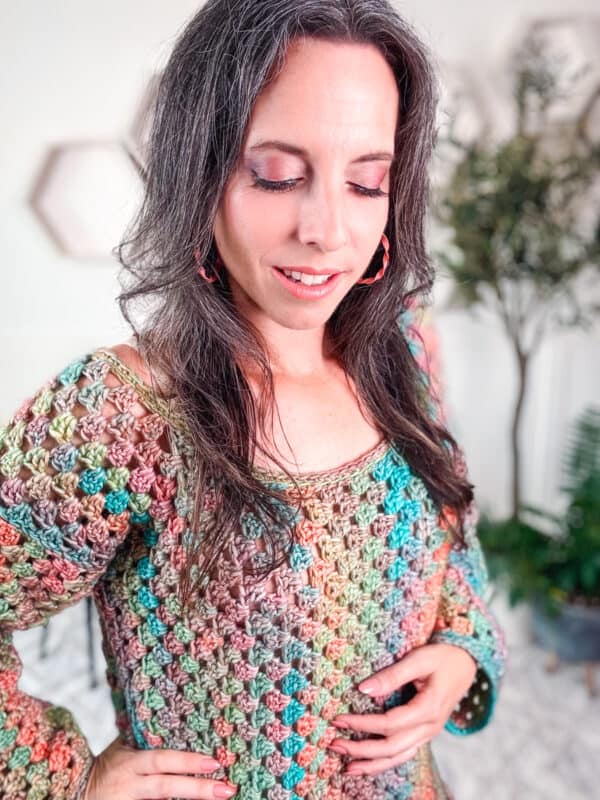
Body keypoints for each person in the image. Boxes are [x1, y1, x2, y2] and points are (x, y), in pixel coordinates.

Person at [0, 1, 507, 798]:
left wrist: (463, 650)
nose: (329, 230)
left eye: (366, 181)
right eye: (278, 174)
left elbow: (455, 525)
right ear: (199, 169)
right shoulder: (122, 413)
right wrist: (63, 780)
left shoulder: (400, 344)